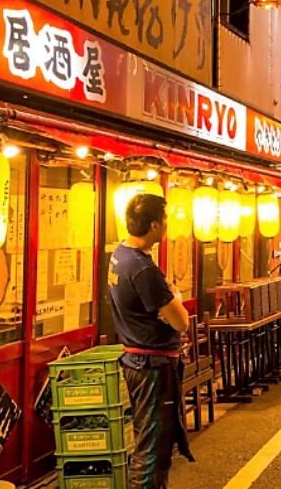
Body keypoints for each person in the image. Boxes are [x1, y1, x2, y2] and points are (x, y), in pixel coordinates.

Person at [108, 194, 194, 488]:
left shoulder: (120, 254)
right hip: (152, 367)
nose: (169, 226)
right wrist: (177, 297)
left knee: (149, 438)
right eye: (167, 220)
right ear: (155, 225)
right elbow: (181, 321)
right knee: (153, 446)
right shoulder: (143, 270)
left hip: (137, 361)